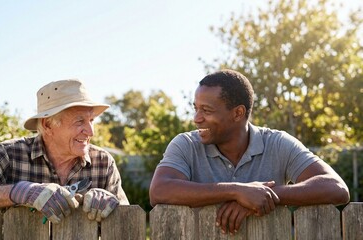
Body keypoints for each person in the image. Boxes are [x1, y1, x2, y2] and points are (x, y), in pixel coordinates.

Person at [149, 69, 350, 235]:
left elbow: (337, 188)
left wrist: (262, 196)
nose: (196, 118)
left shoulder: (278, 143)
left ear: (238, 113)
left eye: (206, 111)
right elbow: (159, 191)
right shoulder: (186, 144)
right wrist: (237, 191)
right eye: (196, 108)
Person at [0, 79, 129, 223]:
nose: (90, 132)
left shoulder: (103, 162)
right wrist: (21, 192)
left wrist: (112, 203)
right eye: (80, 121)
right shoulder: (10, 154)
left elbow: (127, 220)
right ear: (48, 124)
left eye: (91, 120)